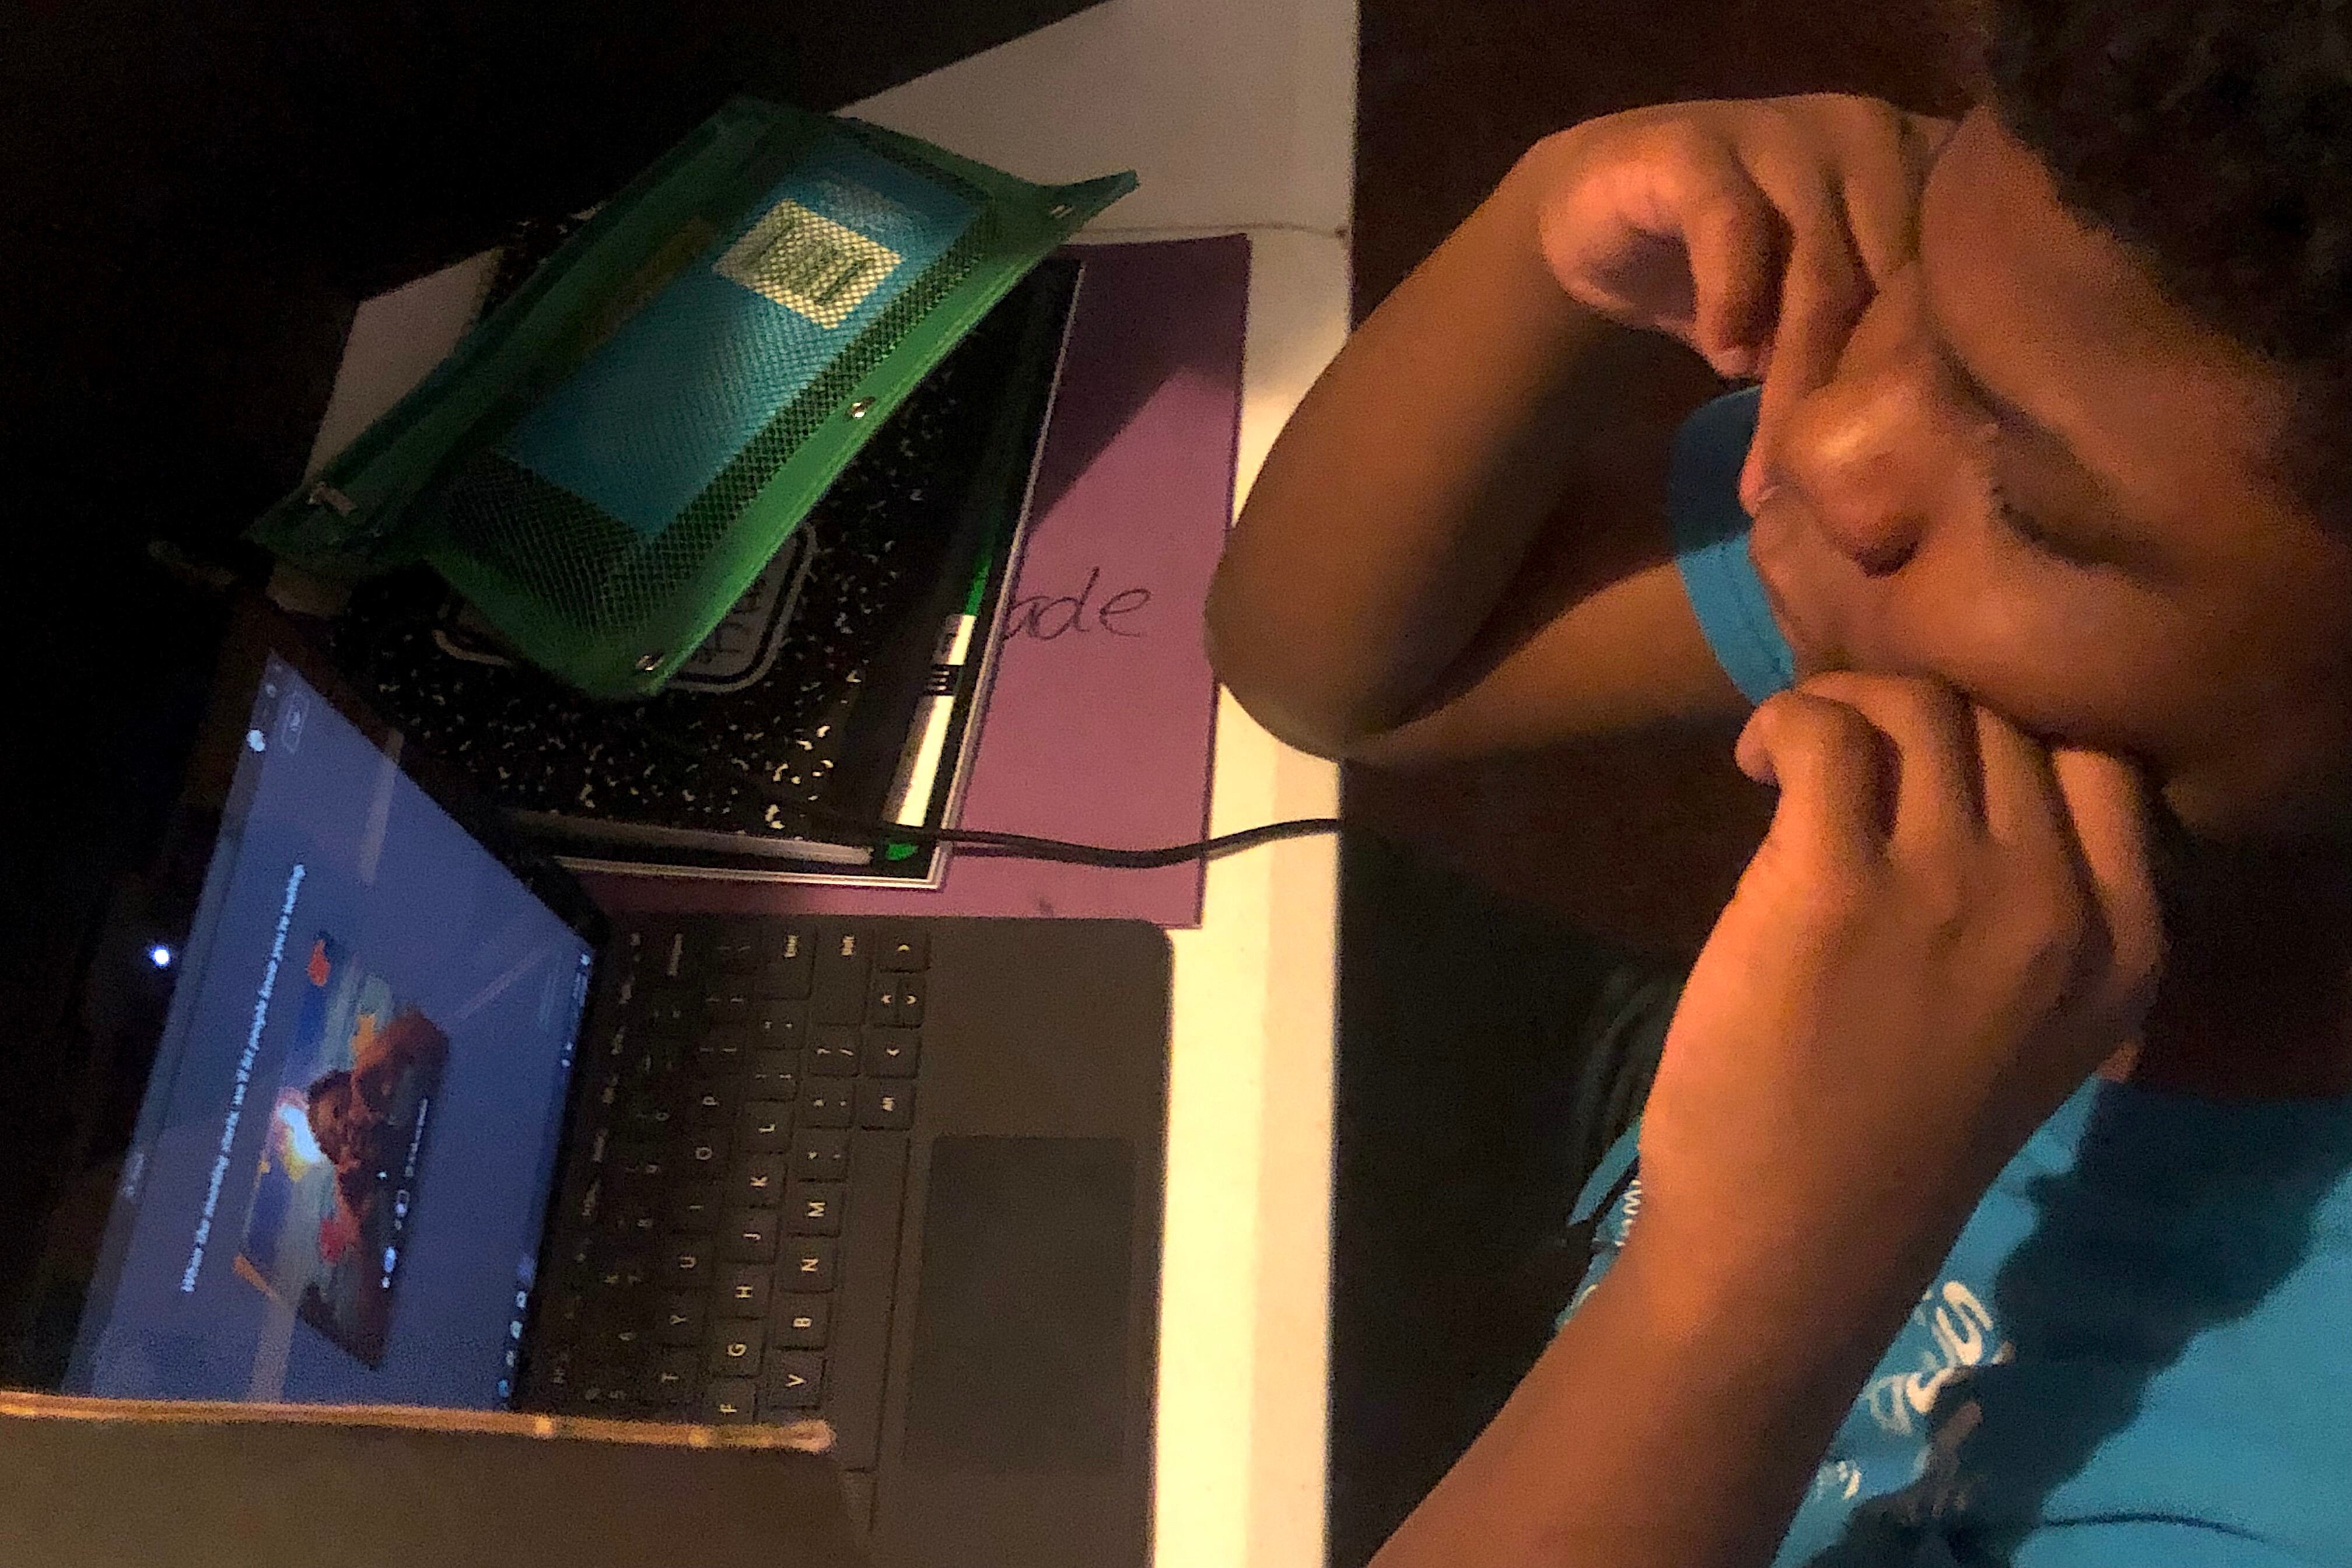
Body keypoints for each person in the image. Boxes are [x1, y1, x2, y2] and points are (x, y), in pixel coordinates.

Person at [1209, 3, 2352, 1563]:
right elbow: (1343, 669)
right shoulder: (1980, 510)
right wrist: (1552, 227)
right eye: (1916, 299)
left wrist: (1740, 1301)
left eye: (2029, 501)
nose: (1828, 447)